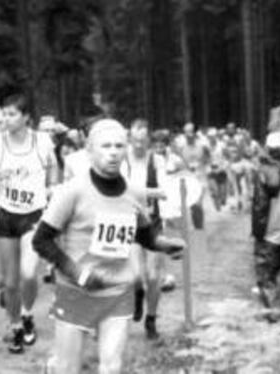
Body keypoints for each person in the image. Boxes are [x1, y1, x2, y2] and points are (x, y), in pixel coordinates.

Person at [32, 119, 184, 374]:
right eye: (105, 146)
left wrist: (164, 245)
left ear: (126, 150)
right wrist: (77, 272)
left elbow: (145, 236)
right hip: (75, 291)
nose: (113, 152)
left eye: (118, 146)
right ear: (89, 151)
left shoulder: (134, 193)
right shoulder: (72, 191)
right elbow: (41, 240)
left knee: (111, 368)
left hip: (117, 290)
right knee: (68, 369)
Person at [0, 94, 60, 353]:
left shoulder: (42, 141)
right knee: (10, 283)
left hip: (34, 215)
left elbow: (53, 166)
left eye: (13, 114)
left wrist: (52, 187)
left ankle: (27, 313)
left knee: (28, 273)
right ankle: (15, 326)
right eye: (4, 114)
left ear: (26, 117)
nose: (6, 118)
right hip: (5, 216)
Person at [122, 119, 167, 339]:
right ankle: (137, 295)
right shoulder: (122, 160)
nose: (139, 144)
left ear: (148, 140)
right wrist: (147, 193)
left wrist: (143, 194)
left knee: (153, 275)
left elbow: (165, 190)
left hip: (154, 223)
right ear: (130, 138)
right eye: (135, 140)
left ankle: (151, 319)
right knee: (135, 276)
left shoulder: (157, 160)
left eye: (143, 140)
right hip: (129, 223)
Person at [251, 131, 280, 313]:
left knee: (268, 271)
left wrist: (258, 232)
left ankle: (273, 309)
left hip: (272, 229)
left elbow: (260, 204)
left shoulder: (264, 172)